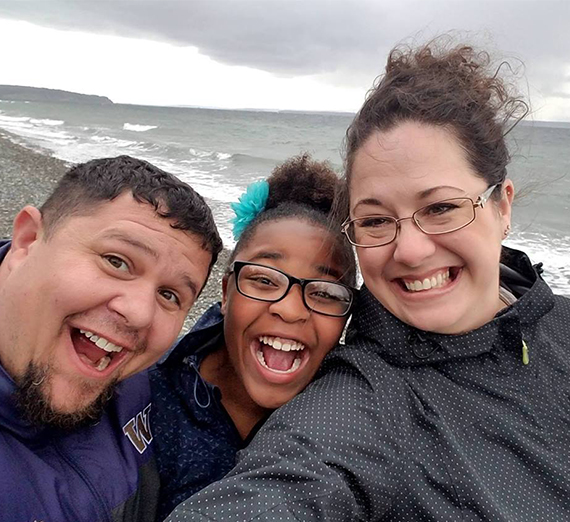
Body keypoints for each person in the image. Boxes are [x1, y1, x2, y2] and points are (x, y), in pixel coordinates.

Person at [166, 42, 570, 521]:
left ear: (502, 205)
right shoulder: (359, 408)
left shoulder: (558, 321)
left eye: (441, 208)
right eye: (376, 221)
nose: (411, 251)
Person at [0, 155, 222, 522]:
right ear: (28, 240)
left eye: (169, 295)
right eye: (116, 261)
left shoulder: (145, 385)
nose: (139, 314)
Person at [150, 154, 357, 520]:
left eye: (325, 292)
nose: (291, 310)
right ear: (227, 292)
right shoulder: (143, 399)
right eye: (264, 279)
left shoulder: (351, 423)